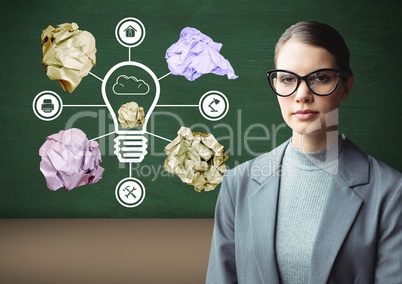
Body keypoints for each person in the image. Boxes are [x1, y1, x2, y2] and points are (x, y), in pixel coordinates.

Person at [206, 21, 402, 284]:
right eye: (288, 79)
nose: (302, 95)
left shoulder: (390, 193)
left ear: (345, 86)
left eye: (320, 78)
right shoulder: (238, 184)